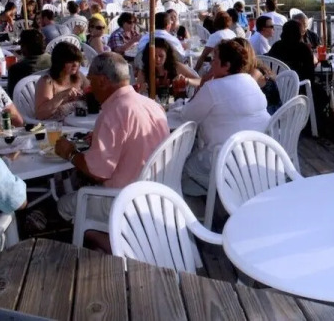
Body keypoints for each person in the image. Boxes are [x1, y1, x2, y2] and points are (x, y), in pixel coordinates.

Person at [54, 53, 170, 235]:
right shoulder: (152, 105)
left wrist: (70, 153)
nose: (90, 87)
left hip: (124, 199)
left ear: (102, 81)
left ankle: (116, 247)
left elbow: (98, 173)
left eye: (91, 81)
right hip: (158, 192)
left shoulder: (112, 112)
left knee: (63, 205)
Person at [181, 40, 271, 195]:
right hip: (259, 155)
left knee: (185, 167)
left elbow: (187, 116)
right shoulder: (250, 81)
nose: (211, 64)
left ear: (226, 65)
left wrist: (202, 85)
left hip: (226, 160)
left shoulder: (212, 88)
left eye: (215, 60)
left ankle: (218, 194)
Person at [34, 42, 89, 121]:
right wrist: (62, 95)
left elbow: (92, 92)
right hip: (56, 124)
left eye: (77, 60)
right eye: (70, 61)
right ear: (59, 62)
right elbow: (41, 114)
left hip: (80, 120)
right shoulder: (47, 81)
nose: (75, 64)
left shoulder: (79, 76)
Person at [7, 29, 51, 98]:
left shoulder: (15, 69)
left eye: (22, 45)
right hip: (50, 99)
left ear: (25, 47)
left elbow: (12, 95)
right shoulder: (55, 62)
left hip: (25, 103)